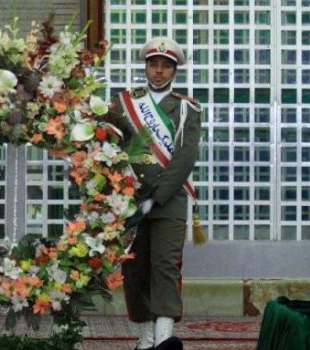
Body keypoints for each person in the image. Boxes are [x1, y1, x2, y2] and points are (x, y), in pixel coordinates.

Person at [105, 37, 202, 350]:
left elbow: (184, 158)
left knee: (165, 266)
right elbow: (112, 148)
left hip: (168, 200)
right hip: (131, 199)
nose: (159, 71)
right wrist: (126, 189)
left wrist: (155, 197)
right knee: (134, 267)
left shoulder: (186, 107)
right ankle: (145, 338)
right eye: (153, 64)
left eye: (166, 65)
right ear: (145, 66)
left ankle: (164, 338)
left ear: (174, 70)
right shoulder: (123, 104)